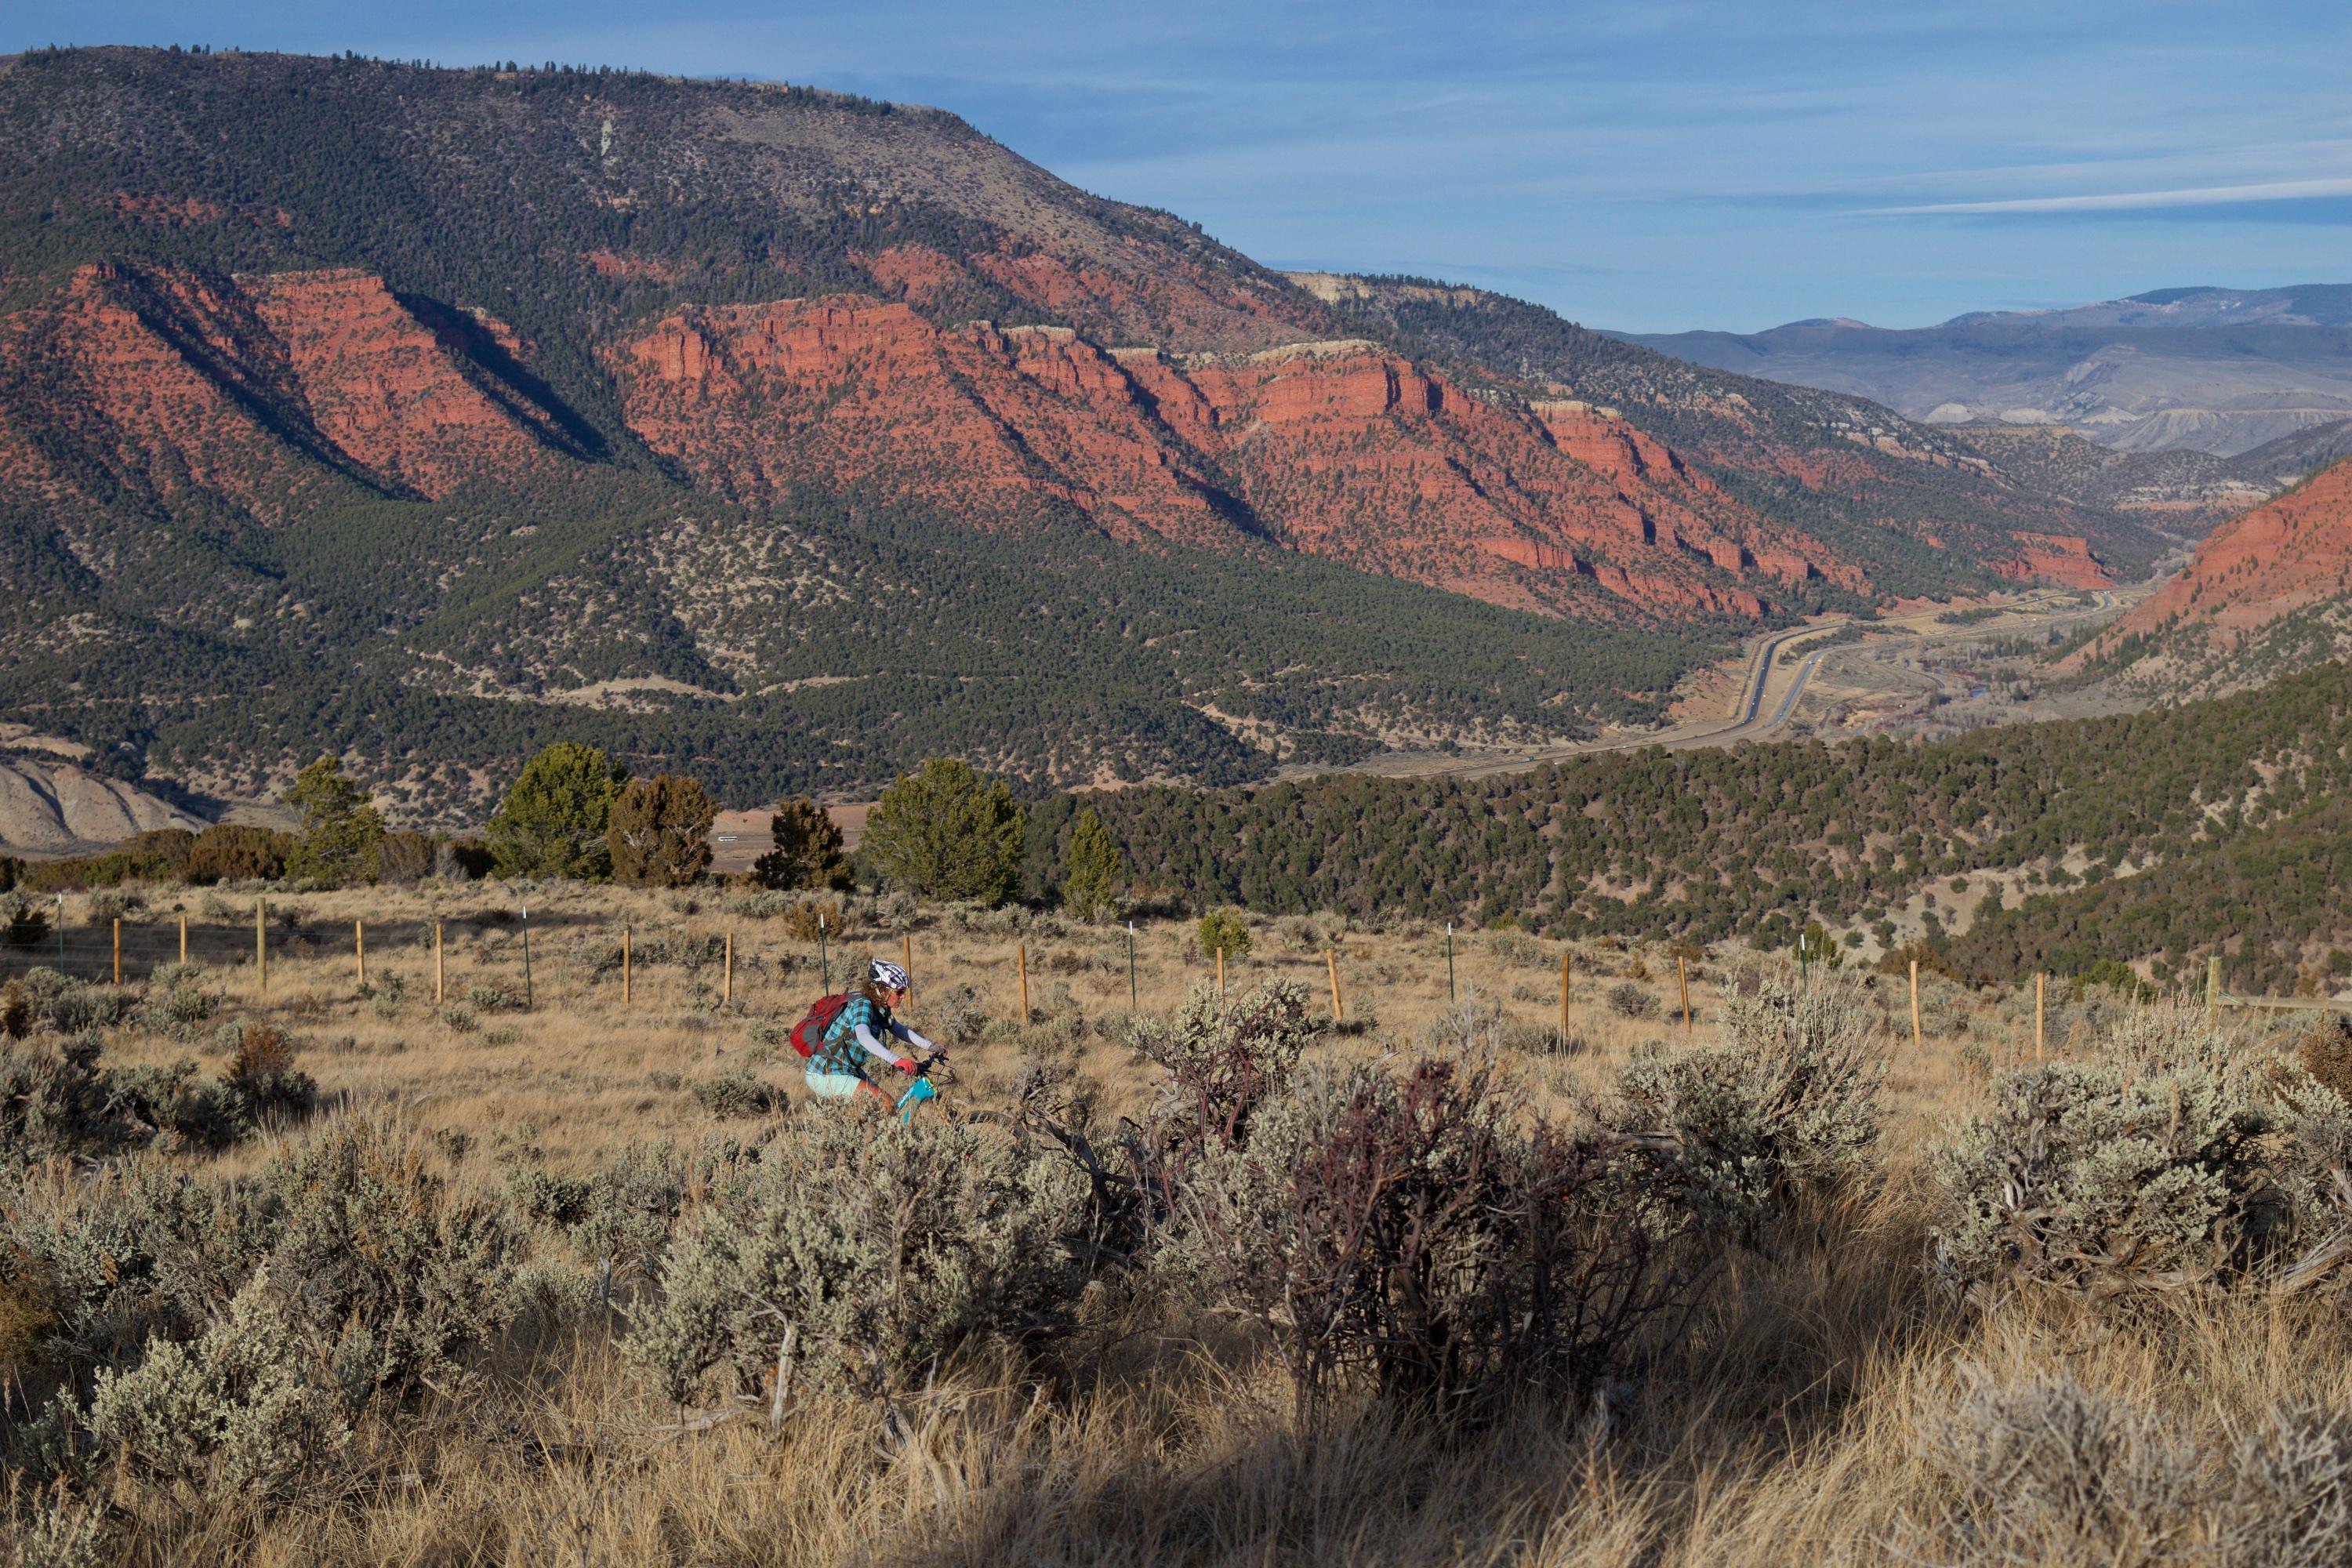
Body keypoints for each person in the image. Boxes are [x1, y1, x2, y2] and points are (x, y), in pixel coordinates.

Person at [805, 958, 938, 1106]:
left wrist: (931, 1046)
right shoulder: (863, 1004)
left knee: (879, 1110)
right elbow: (864, 1036)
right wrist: (896, 1060)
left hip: (845, 1069)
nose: (903, 997)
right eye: (899, 992)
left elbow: (898, 1029)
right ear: (882, 990)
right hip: (825, 1072)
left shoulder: (880, 1009)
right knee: (885, 1103)